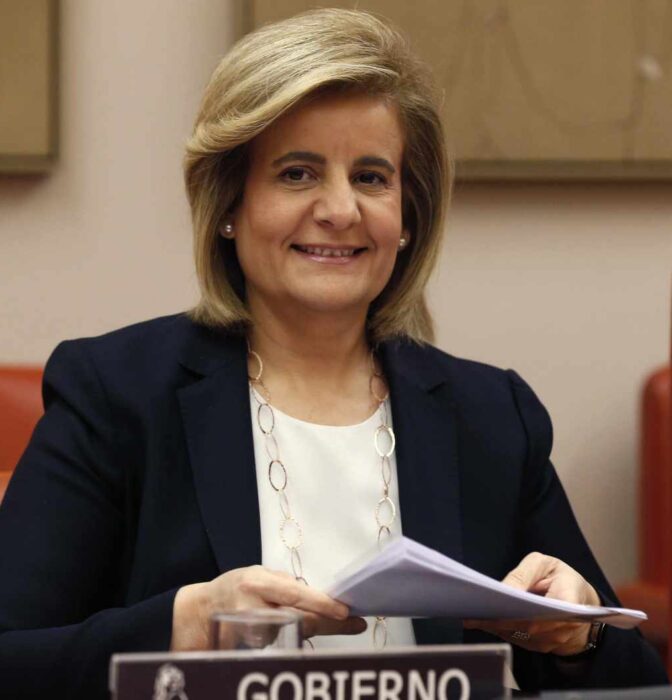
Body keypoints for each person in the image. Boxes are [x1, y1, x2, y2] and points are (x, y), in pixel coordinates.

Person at [0, 8, 666, 698]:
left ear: (407, 218)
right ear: (229, 204)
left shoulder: (491, 416)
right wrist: (185, 622)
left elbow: (635, 683)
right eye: (297, 174)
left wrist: (579, 636)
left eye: (372, 178)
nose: (340, 210)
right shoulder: (118, 395)